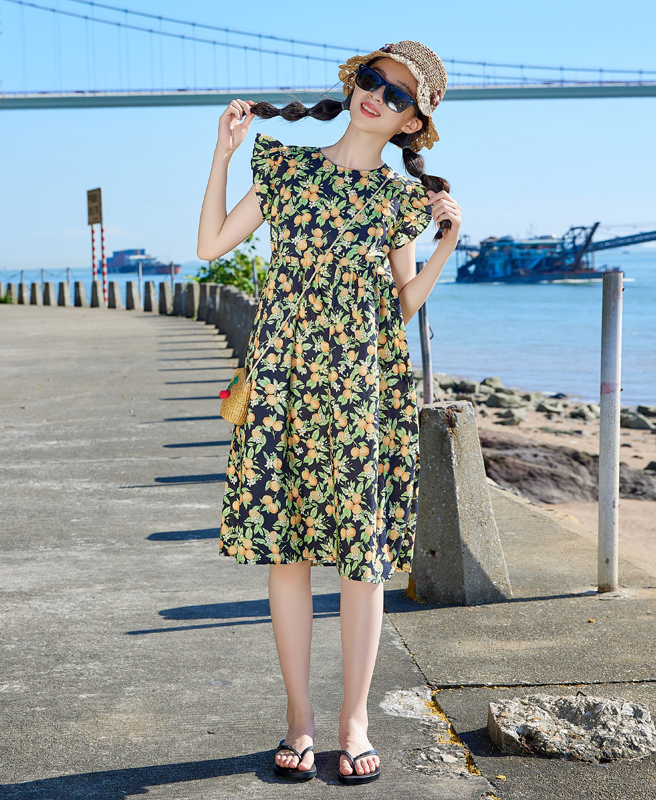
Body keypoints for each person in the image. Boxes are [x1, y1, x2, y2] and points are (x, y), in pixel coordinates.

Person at [197, 40, 461, 785]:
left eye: (399, 96)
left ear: (413, 124)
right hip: (281, 384)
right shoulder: (286, 168)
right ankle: (299, 720)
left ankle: (354, 721)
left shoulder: (398, 201)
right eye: (374, 80)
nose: (379, 95)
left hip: (361, 392)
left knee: (362, 562)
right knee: (287, 556)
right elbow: (211, 242)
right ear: (354, 84)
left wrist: (446, 243)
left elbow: (402, 304)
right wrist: (223, 155)